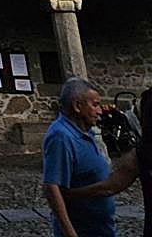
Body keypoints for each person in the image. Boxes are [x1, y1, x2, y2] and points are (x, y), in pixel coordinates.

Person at [65, 86, 151, 237]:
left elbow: (110, 187)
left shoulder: (143, 153)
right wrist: (70, 194)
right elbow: (110, 186)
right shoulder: (143, 153)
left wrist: (70, 194)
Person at [43, 77, 117, 237]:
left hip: (100, 229)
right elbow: (52, 187)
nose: (100, 111)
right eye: (95, 105)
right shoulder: (61, 136)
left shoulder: (86, 131)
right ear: (77, 106)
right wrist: (70, 233)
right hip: (82, 229)